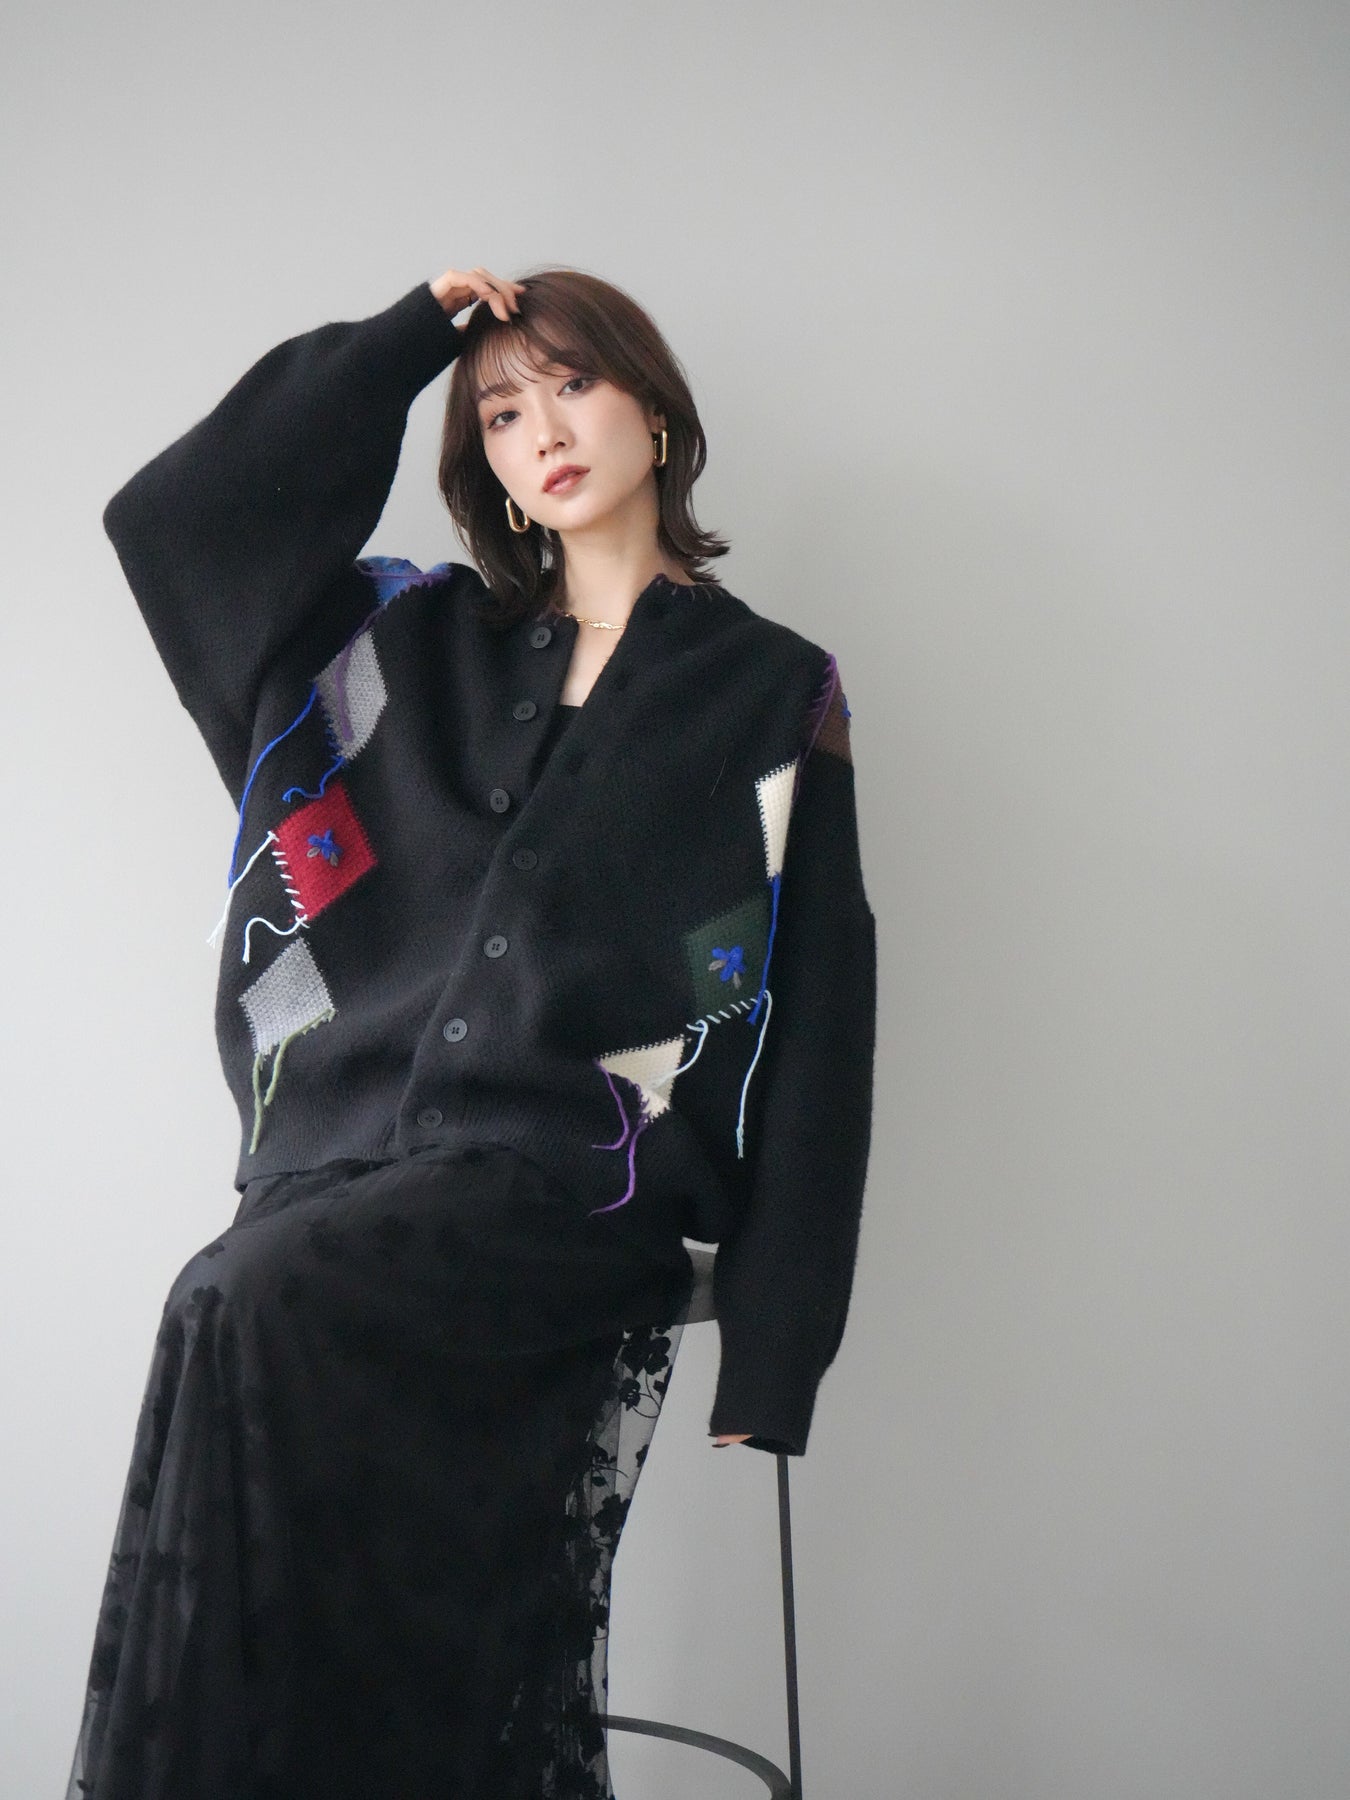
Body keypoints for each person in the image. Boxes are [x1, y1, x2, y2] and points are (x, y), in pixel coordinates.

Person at [65, 263, 877, 1798]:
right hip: (339, 1174)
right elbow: (170, 527)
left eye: (572, 386)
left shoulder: (770, 692)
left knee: (243, 1297)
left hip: (573, 1185)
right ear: (481, 460)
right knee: (239, 1295)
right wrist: (400, 344)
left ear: (653, 408)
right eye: (500, 412)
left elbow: (820, 1009)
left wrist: (776, 1353)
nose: (542, 432)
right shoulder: (397, 643)